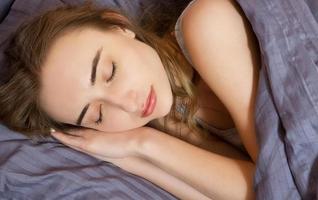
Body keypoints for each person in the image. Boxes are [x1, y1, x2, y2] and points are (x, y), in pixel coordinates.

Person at [0, 0, 261, 199]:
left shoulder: (205, 25)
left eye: (110, 72)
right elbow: (254, 190)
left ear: (119, 26)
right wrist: (136, 150)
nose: (127, 104)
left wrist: (142, 145)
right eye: (97, 114)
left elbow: (273, 178)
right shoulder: (166, 118)